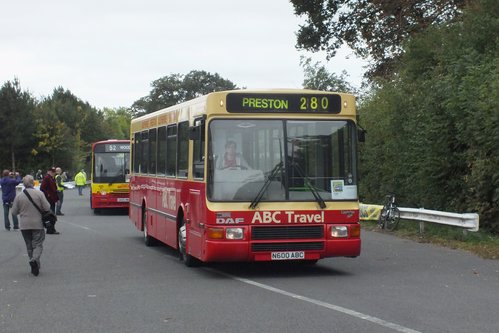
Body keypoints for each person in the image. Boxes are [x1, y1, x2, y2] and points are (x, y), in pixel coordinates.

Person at [11, 175, 50, 276]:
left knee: (29, 245)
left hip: (24, 225)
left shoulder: (19, 196)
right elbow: (47, 207)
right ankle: (34, 260)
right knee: (38, 244)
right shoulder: (39, 193)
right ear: (33, 183)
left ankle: (34, 265)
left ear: (23, 184)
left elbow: (14, 212)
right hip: (37, 223)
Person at [39, 167, 60, 234]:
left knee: (51, 216)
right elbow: (42, 188)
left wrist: (57, 199)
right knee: (50, 216)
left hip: (52, 199)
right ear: (49, 171)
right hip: (49, 199)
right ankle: (50, 229)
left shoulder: (51, 178)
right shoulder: (47, 178)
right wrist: (47, 194)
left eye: (54, 172)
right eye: (52, 172)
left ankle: (51, 229)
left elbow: (54, 189)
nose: (53, 173)